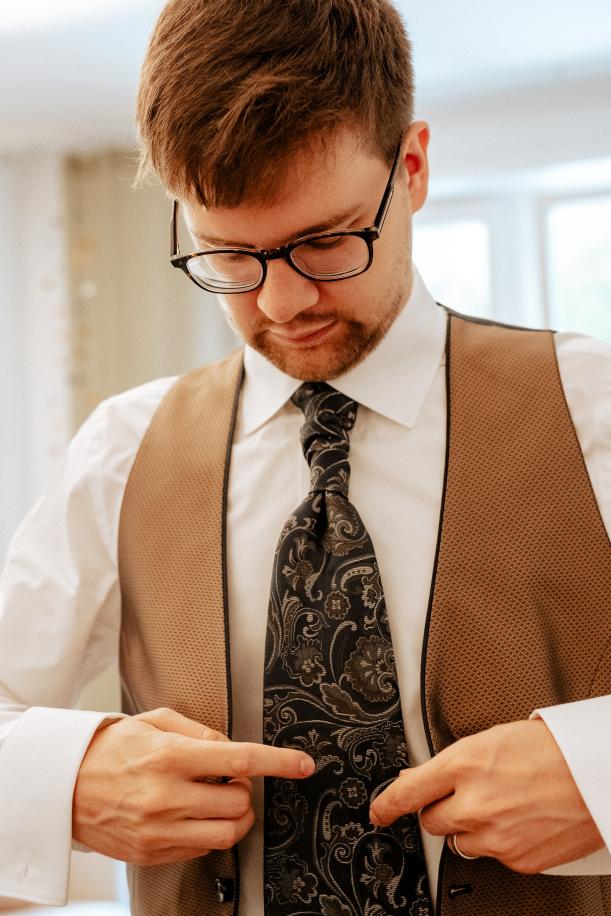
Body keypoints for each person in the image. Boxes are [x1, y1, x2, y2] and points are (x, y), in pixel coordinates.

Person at [0, 0, 609, 914]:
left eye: (325, 242)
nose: (282, 304)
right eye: (228, 255)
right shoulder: (123, 451)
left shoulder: (591, 405)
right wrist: (63, 776)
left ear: (411, 167)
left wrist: (602, 775)